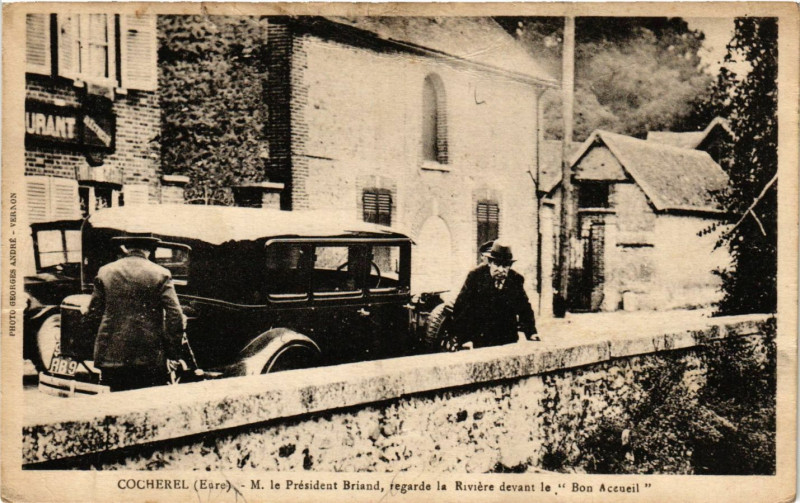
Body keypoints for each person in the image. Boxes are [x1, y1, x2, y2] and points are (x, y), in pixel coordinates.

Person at [86, 235, 187, 392]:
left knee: (116, 405)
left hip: (111, 356)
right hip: (150, 356)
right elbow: (175, 315)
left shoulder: (105, 271)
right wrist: (173, 354)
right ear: (149, 250)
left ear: (126, 248)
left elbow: (93, 313)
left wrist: (97, 347)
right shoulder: (162, 274)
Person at [449, 241, 537, 349]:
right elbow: (461, 309)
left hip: (508, 339)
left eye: (505, 265)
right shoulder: (475, 277)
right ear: (490, 262)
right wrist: (464, 339)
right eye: (497, 264)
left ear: (510, 266)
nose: (501, 270)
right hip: (481, 339)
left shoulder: (515, 279)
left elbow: (525, 309)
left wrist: (531, 332)